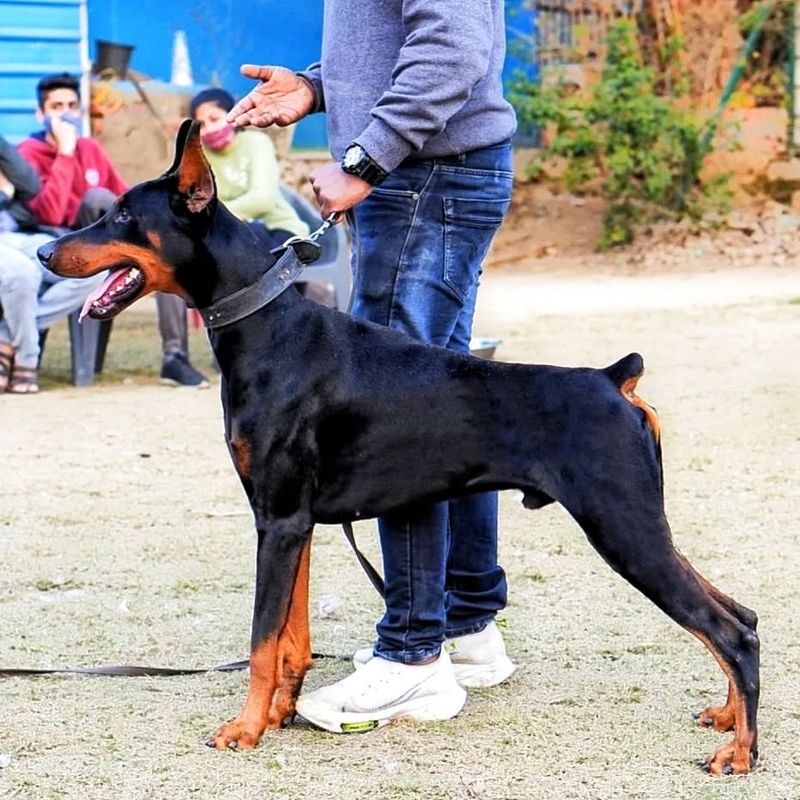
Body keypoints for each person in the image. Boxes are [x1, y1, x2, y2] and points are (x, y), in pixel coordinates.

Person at [227, 0, 517, 731]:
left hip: (423, 181)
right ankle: (465, 624)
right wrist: (321, 86)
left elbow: (453, 44)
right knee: (450, 409)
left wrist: (366, 155)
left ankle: (415, 659)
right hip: (430, 177)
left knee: (397, 419)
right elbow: (406, 37)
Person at [16, 72, 209, 388]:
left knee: (161, 248)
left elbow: (125, 203)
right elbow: (49, 212)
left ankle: (175, 357)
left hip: (102, 244)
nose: (65, 113)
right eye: (56, 107)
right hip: (52, 244)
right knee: (97, 198)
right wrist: (65, 153)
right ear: (41, 114)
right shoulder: (29, 152)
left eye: (72, 105)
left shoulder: (90, 149)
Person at [0, 133, 104, 393]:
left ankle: (4, 338)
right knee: (23, 274)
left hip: (18, 236)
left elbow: (31, 186)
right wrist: (4, 193)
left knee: (91, 268)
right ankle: (26, 358)